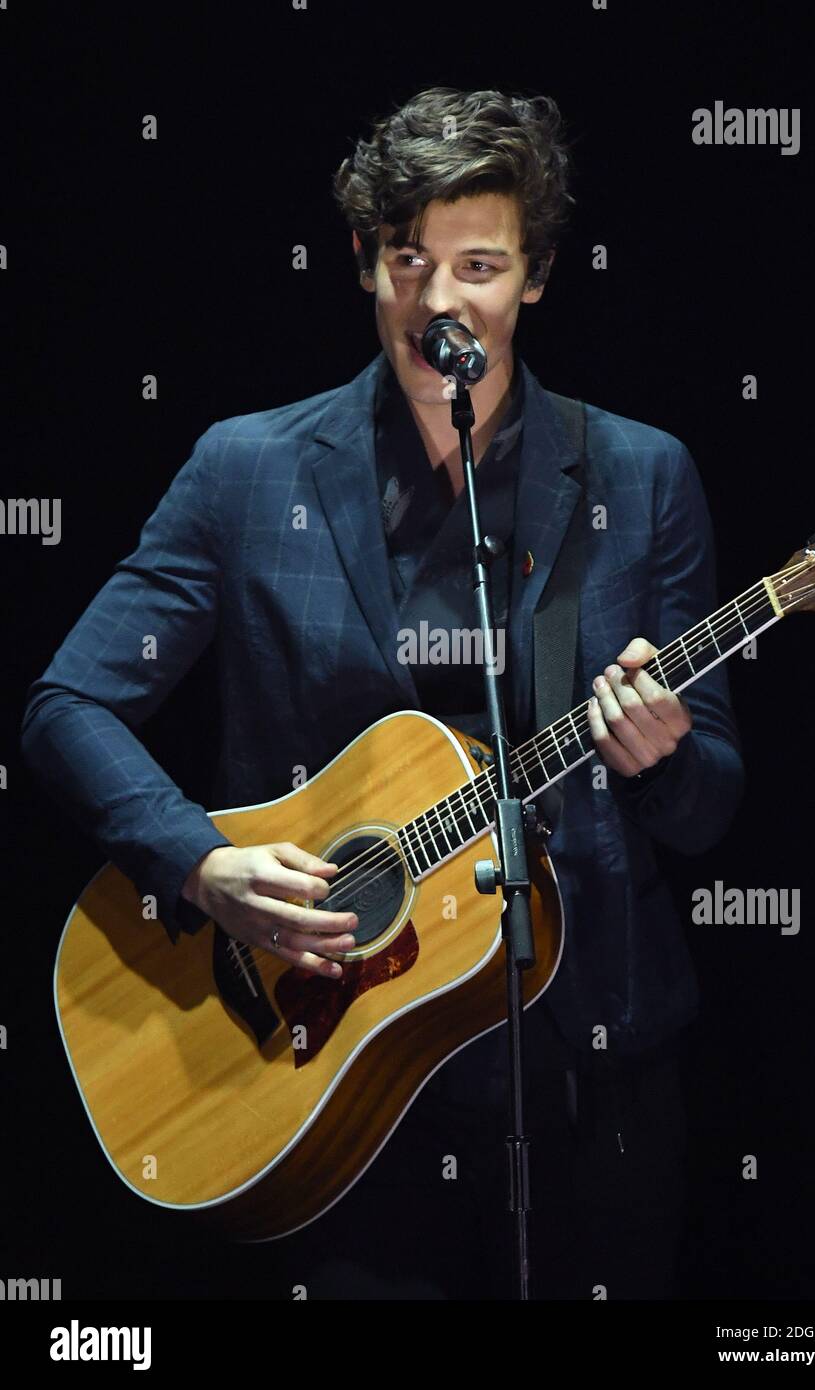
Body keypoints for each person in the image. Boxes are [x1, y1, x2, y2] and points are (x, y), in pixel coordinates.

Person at [21, 86, 745, 1299]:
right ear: (363, 262)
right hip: (332, 1082)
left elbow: (708, 810)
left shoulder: (640, 473)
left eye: (481, 265)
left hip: (590, 1081)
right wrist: (202, 865)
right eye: (411, 261)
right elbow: (67, 707)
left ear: (537, 278)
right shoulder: (246, 470)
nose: (444, 303)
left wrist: (659, 750)